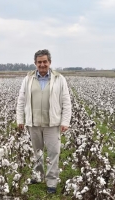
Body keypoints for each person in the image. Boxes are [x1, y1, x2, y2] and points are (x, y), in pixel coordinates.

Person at [16, 49, 72, 194]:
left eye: (45, 62)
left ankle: (52, 182)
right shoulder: (28, 79)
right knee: (37, 152)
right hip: (33, 123)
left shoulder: (59, 79)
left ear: (49, 62)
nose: (42, 64)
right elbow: (21, 100)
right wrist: (20, 119)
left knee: (53, 153)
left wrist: (65, 121)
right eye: (39, 62)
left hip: (52, 124)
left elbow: (66, 102)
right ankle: (38, 175)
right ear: (35, 63)